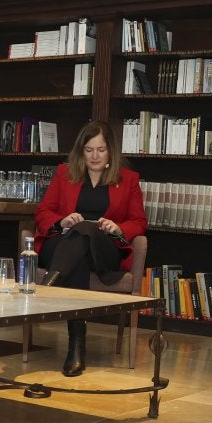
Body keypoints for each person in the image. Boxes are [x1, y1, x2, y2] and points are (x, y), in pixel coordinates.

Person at [33, 119, 147, 378]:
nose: (95, 156)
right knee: (80, 238)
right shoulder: (64, 174)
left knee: (86, 230)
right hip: (62, 243)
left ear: (111, 151)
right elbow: (42, 212)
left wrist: (117, 228)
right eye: (89, 149)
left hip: (104, 249)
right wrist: (62, 221)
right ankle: (76, 346)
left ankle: (52, 281)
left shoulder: (128, 180)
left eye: (101, 149)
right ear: (80, 151)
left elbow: (139, 221)